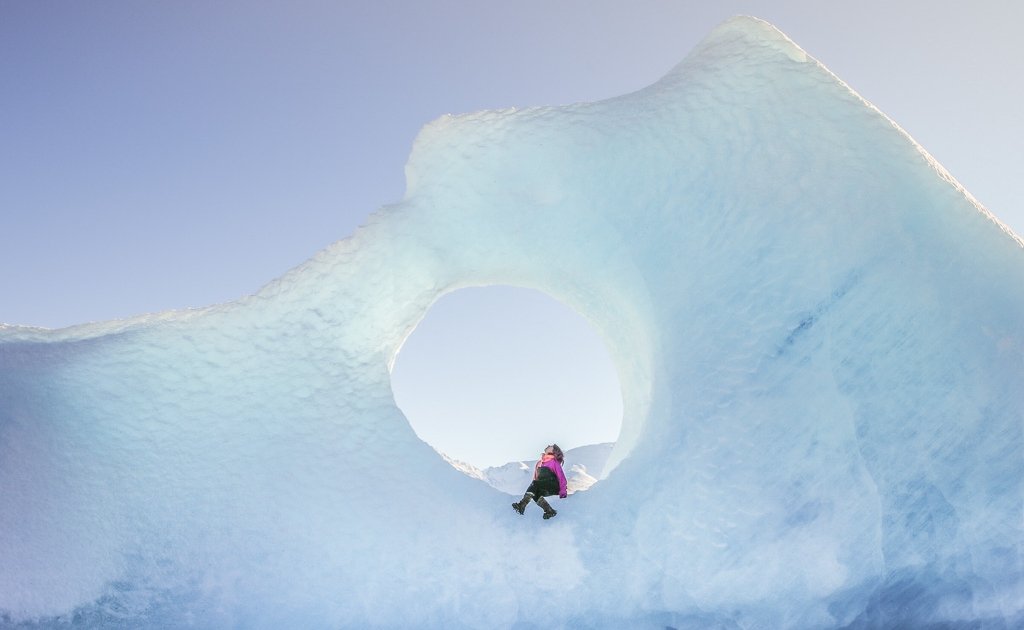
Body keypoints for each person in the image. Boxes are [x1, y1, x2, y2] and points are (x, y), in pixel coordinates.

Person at [512, 444, 567, 520]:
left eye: (551, 446)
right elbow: (535, 478)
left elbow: (561, 478)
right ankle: (549, 511)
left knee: (535, 484)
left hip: (553, 486)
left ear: (554, 451)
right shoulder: (539, 463)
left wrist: (563, 493)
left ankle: (522, 505)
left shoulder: (554, 462)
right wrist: (533, 489)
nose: (548, 445)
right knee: (535, 493)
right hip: (543, 486)